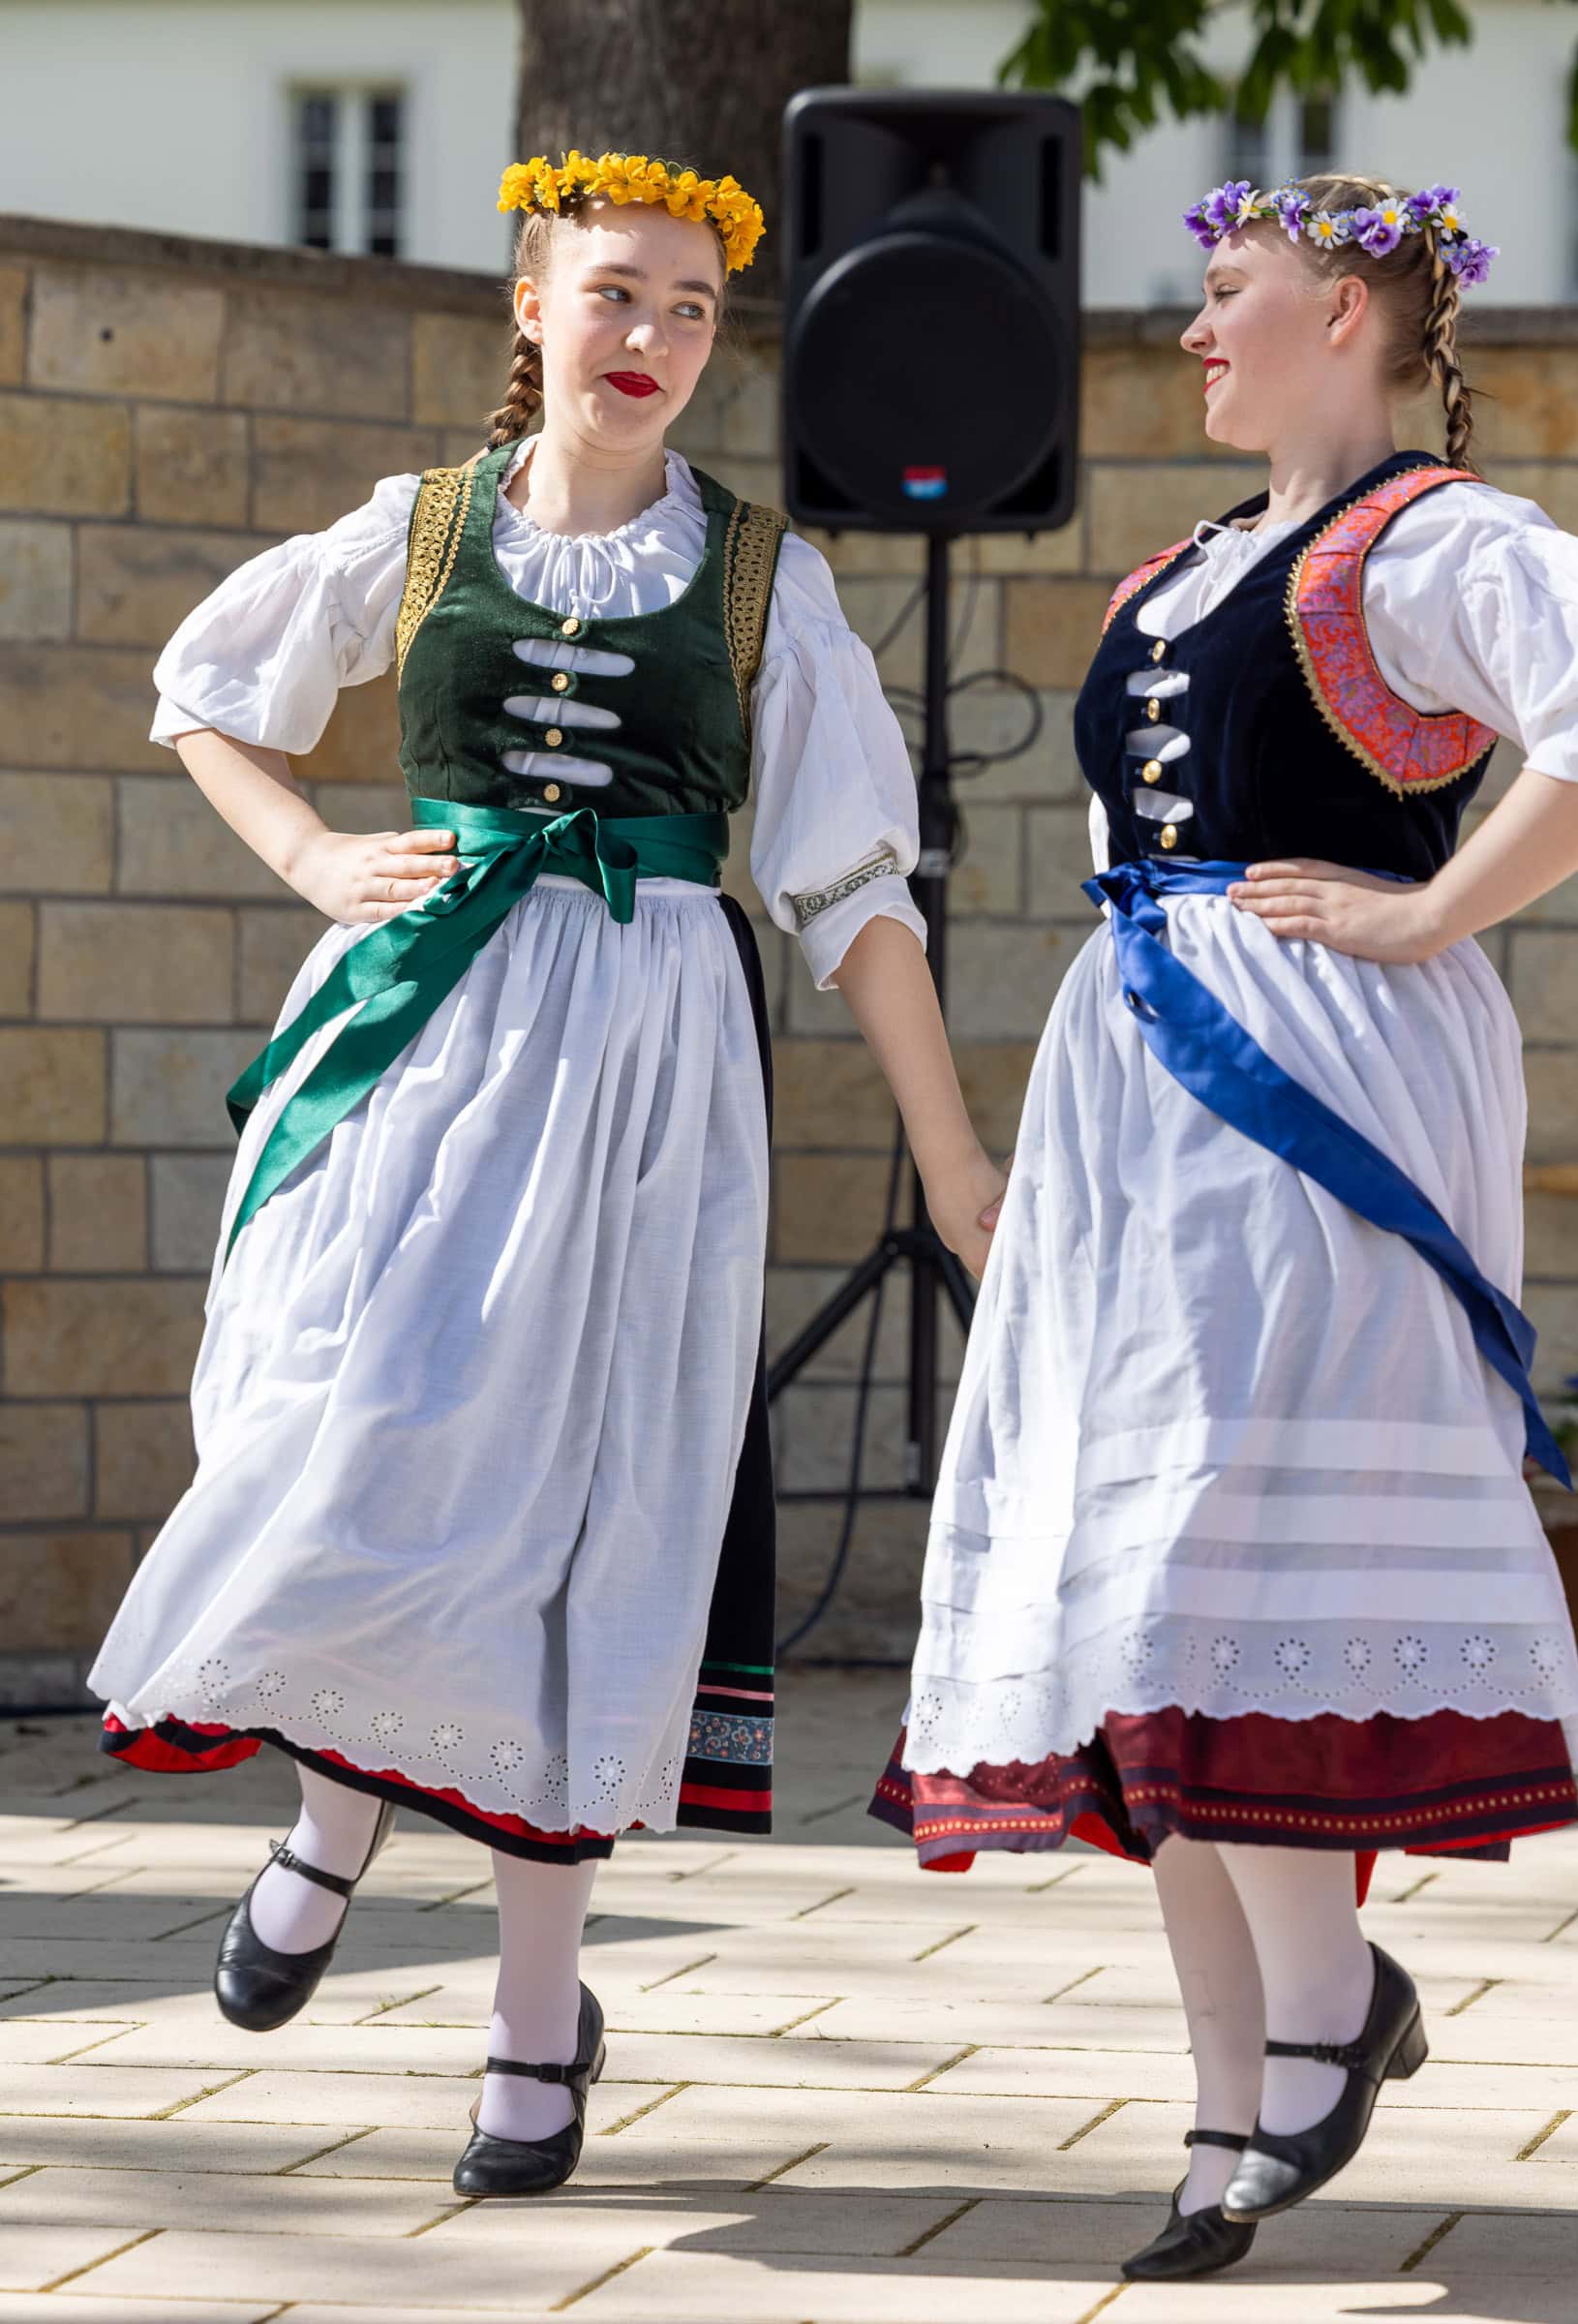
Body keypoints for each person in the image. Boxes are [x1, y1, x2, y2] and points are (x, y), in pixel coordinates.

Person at [89, 147, 1004, 2199]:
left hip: (644, 1070)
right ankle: (332, 1820)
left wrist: (950, 1153)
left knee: (583, 1517)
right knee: (338, 1441)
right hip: (422, 1029)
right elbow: (206, 694)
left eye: (690, 308)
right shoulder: (421, 530)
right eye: (615, 293)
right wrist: (312, 854)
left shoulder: (761, 577)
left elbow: (855, 889)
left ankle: (530, 2024)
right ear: (530, 303)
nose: (652, 337)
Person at [871, 172, 1578, 2279]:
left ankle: (1322, 2012)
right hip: (1136, 1083)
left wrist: (1430, 908)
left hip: (1321, 1074)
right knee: (1131, 1576)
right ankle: (1231, 2105)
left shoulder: (1434, 541)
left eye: (1224, 291)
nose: (1191, 330)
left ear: (1347, 314)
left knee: (1215, 1542)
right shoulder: (1183, 565)